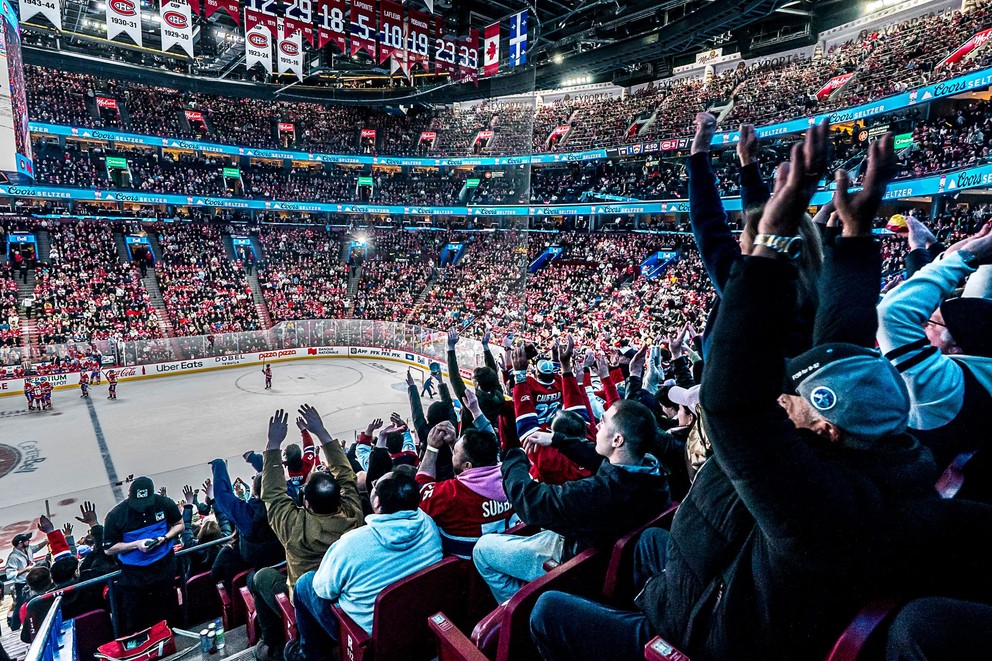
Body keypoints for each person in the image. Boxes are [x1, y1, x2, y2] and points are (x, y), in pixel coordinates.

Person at [473, 398, 671, 604]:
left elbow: (531, 503)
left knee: (483, 549)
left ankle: (517, 607)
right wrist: (557, 440)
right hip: (602, 548)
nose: (598, 426)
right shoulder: (655, 473)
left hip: (573, 557)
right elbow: (607, 463)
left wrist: (514, 457)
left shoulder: (596, 494)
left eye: (603, 422)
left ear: (617, 441)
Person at [876, 221, 992, 487]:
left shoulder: (946, 387)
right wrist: (933, 249)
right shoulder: (975, 375)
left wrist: (967, 256)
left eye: (931, 323)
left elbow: (892, 314)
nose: (922, 324)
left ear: (958, 350)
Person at [287, 471, 442, 661]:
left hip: (367, 637)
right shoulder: (429, 524)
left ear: (376, 503)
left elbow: (323, 591)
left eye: (375, 484)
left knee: (304, 584)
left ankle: (309, 655)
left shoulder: (350, 544)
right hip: (415, 622)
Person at [251, 406, 363, 661]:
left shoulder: (295, 527)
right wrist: (321, 433)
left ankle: (270, 644)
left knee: (260, 579)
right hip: (345, 591)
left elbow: (273, 494)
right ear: (340, 498)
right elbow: (346, 475)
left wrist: (273, 442)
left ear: (307, 504)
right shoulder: (352, 513)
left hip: (309, 596)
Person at [416, 407, 516, 559]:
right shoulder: (515, 480)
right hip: (508, 555)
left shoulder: (449, 495)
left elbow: (420, 489)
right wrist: (453, 445)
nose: (453, 453)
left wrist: (431, 448)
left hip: (468, 571)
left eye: (455, 452)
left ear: (468, 466)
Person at [102, 476, 184, 634]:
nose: (141, 508)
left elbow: (179, 524)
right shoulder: (116, 515)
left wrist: (164, 538)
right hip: (135, 574)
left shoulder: (165, 503)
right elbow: (108, 548)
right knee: (137, 617)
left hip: (164, 567)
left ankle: (170, 638)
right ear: (129, 495)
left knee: (168, 610)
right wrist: (135, 545)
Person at [5, 532, 49, 632]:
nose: (29, 541)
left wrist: (46, 541)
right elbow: (9, 575)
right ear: (20, 543)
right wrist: (25, 570)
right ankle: (15, 627)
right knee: (20, 604)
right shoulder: (13, 557)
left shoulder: (28, 549)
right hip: (21, 584)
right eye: (27, 540)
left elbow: (36, 548)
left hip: (32, 580)